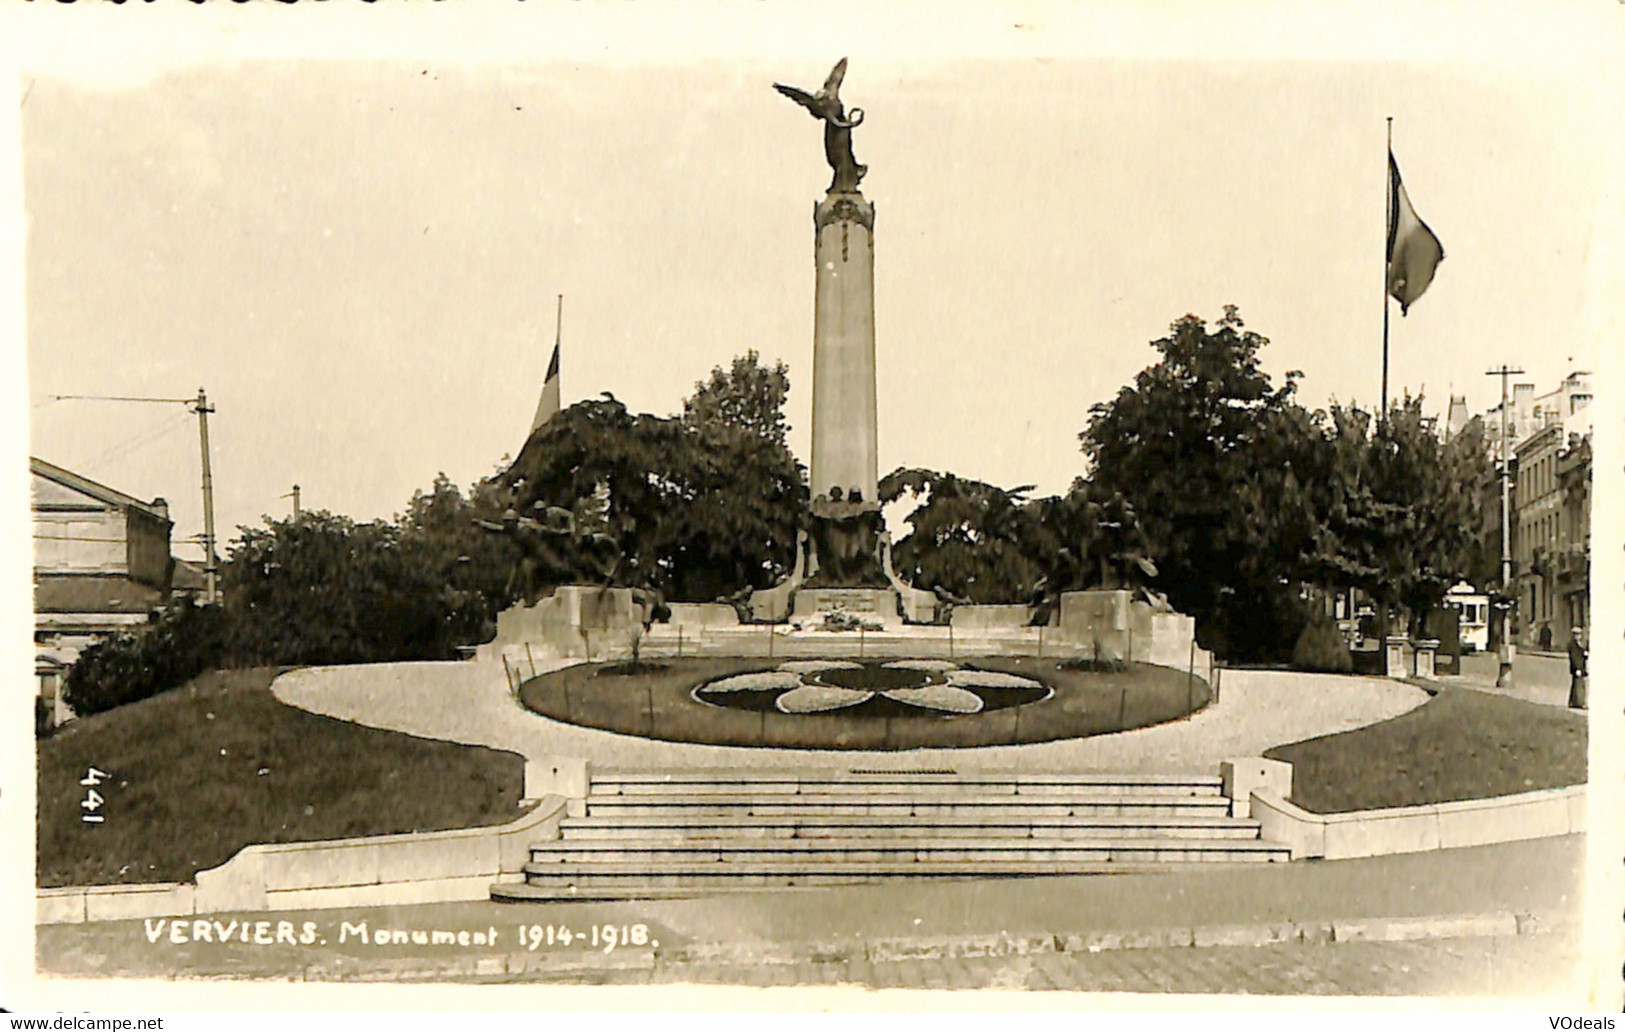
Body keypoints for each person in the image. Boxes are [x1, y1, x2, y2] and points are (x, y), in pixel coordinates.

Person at [1567, 628, 1587, 709]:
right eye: (1577, 635)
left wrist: (1585, 654)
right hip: (1577, 668)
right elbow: (1574, 658)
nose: (1578, 636)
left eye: (1579, 635)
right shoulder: (1572, 645)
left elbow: (1581, 655)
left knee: (1576, 685)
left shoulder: (1579, 644)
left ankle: (1573, 702)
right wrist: (1577, 668)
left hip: (1581, 667)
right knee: (1578, 685)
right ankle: (1579, 703)